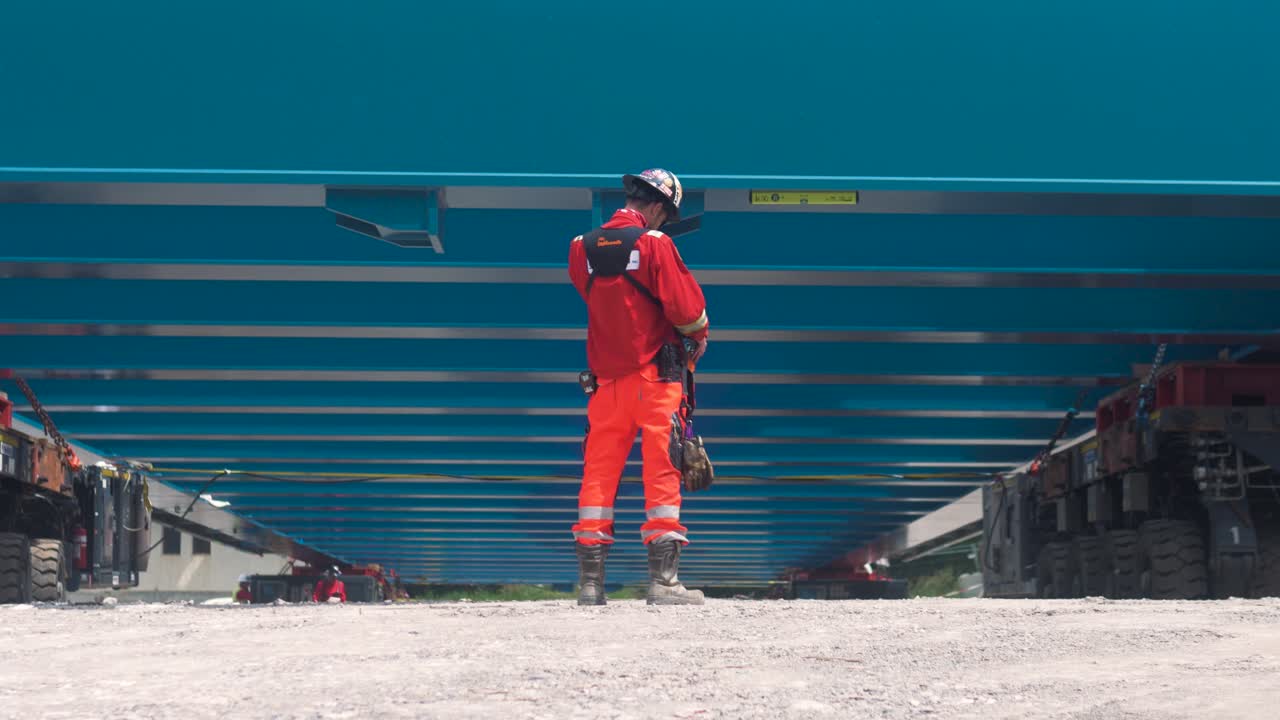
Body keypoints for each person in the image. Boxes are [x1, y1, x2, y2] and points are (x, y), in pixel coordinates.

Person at [567, 168, 710, 606]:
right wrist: (699, 335)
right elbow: (688, 310)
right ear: (656, 207)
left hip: (605, 385)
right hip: (655, 379)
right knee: (662, 471)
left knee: (598, 475)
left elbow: (598, 299)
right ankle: (663, 583)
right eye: (665, 214)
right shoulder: (654, 244)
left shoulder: (581, 248)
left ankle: (590, 586)